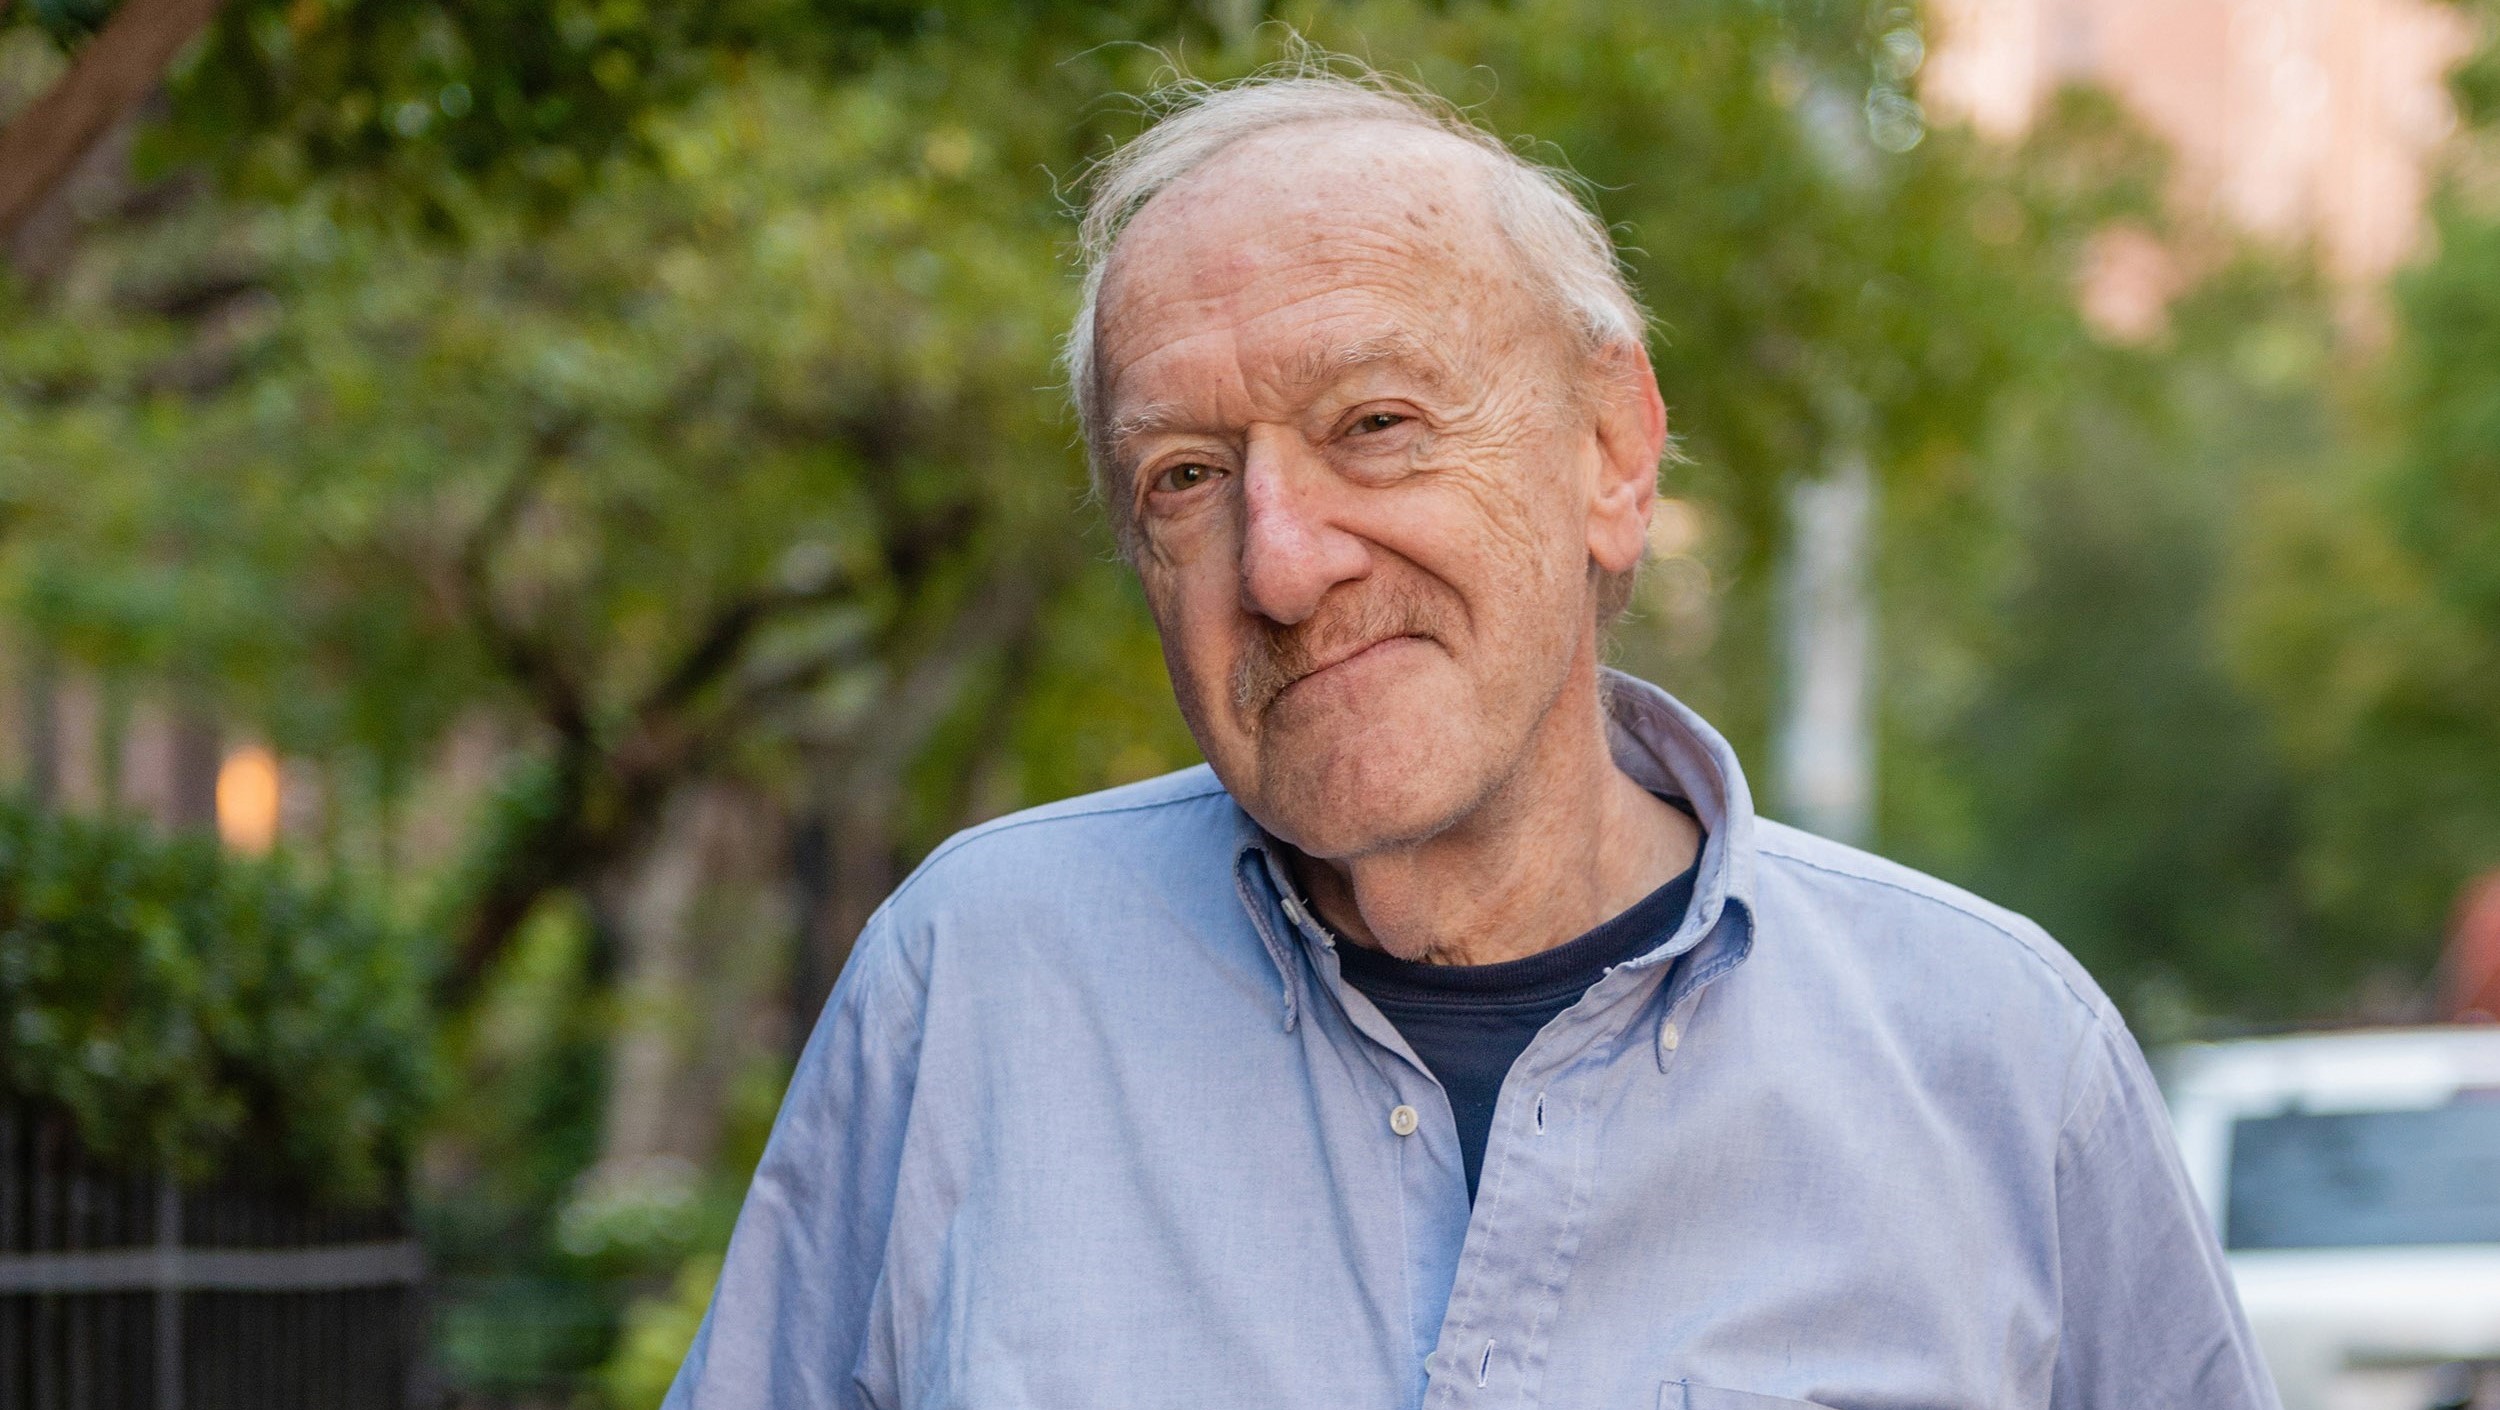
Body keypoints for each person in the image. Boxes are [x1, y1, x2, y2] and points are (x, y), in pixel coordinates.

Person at [665, 65, 2279, 1410]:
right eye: (1186, 478)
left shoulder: (2001, 1064)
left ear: (1613, 454)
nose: (1281, 562)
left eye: (1375, 423)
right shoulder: (969, 989)